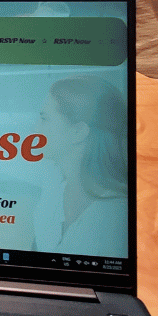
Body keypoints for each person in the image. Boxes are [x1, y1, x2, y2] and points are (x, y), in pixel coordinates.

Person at [32, 77, 130, 257]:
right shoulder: (54, 186)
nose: (36, 129)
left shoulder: (115, 215)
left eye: (44, 119)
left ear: (78, 132)